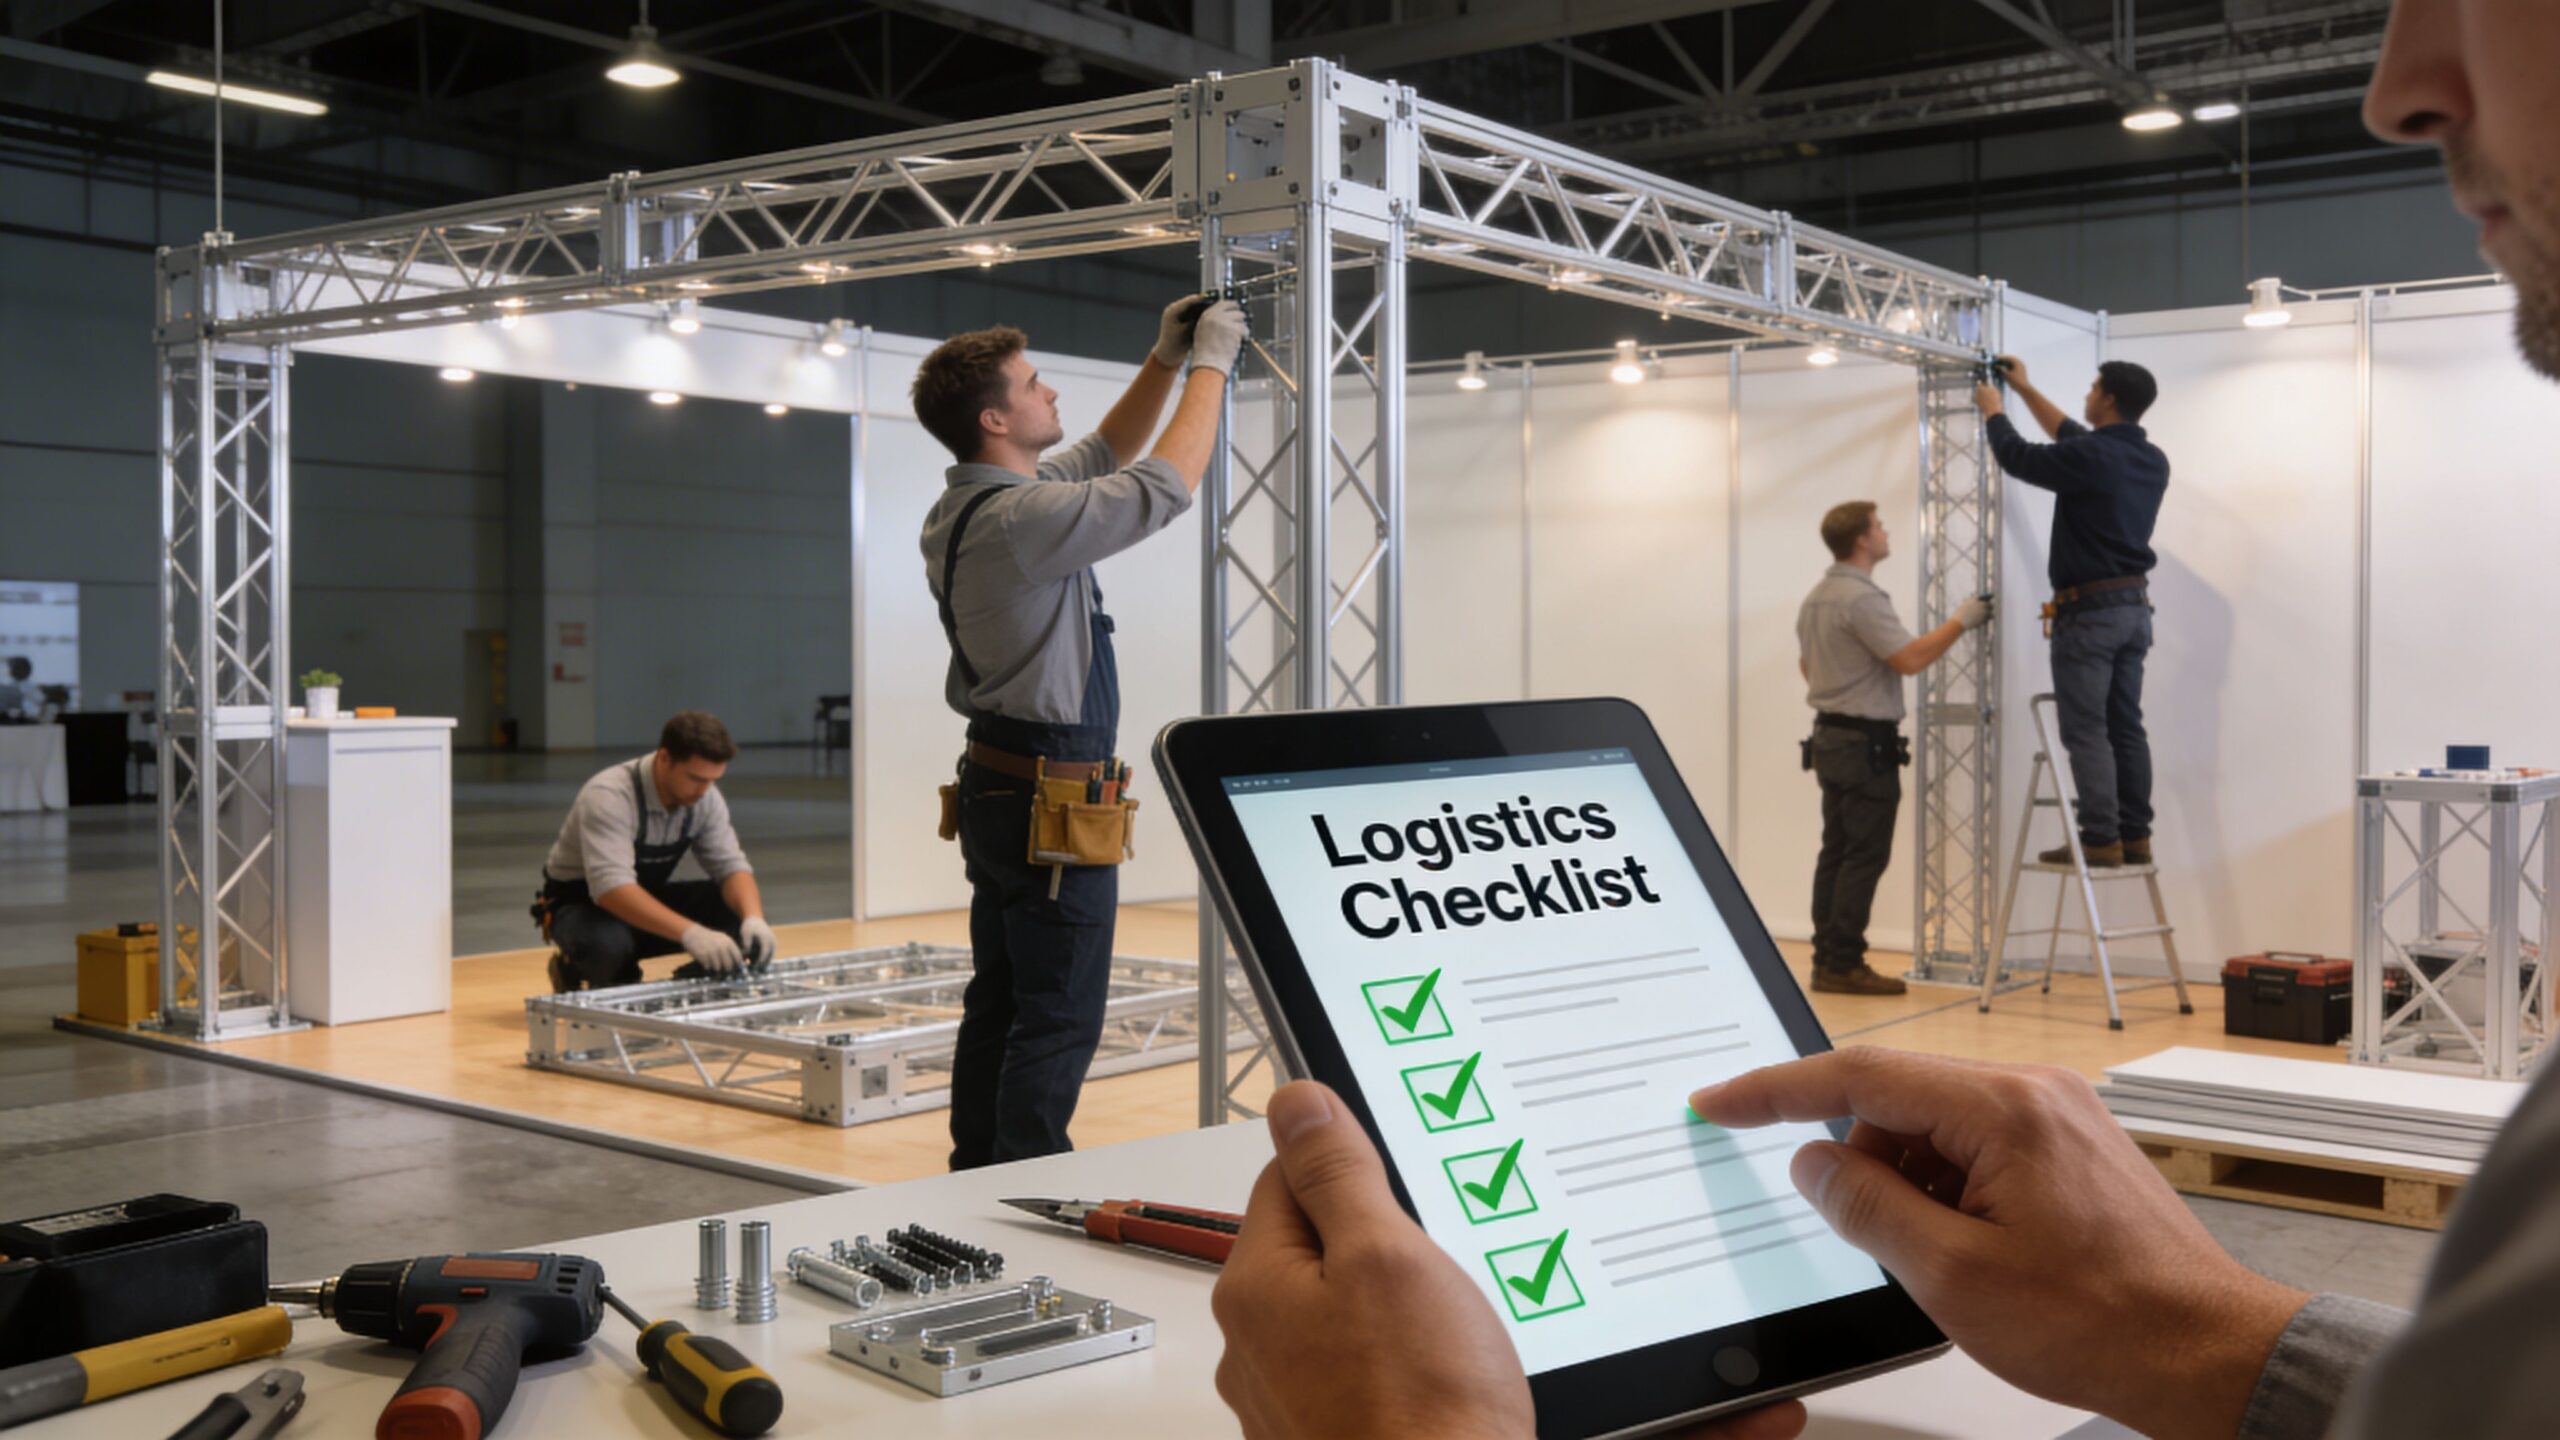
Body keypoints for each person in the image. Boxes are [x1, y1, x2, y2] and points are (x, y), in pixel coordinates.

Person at [1211, 5, 2560, 1435]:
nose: (2398, 92)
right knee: (1961, 812)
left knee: (2039, 763)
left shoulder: (2089, 455)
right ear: (1866, 536)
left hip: (2043, 638)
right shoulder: (2072, 488)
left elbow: (2041, 446)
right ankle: (1998, 887)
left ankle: (2024, 868)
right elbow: (1970, 557)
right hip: (1930, 700)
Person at [916, 295, 1246, 1169]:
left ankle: (974, 1177)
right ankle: (1019, 1180)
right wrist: (1214, 360)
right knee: (1058, 1014)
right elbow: (1165, 484)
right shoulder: (1022, 522)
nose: (1050, 392)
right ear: (995, 418)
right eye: (1032, 386)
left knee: (1003, 1001)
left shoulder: (977, 508)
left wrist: (1165, 358)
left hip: (1002, 786)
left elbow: (1105, 453)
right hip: (1048, 800)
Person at [1973, 358, 2165, 870]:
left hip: (2090, 615)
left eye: (2092, 385)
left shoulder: (2092, 456)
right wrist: (2026, 390)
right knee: (2126, 725)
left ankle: (2099, 838)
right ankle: (2134, 834)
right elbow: (2071, 435)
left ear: (2106, 398)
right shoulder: (2149, 458)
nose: (2088, 392)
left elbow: (2017, 457)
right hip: (2132, 610)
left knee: (2085, 729)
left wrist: (1994, 411)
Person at [1796, 503, 1993, 995]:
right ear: (1862, 540)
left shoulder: (1816, 598)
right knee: (1863, 856)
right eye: (1879, 526)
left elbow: (1808, 666)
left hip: (1829, 738)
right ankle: (1842, 963)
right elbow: (1909, 658)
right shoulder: (1861, 600)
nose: (1885, 532)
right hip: (1864, 746)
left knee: (1837, 852)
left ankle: (1828, 958)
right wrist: (1960, 621)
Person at [536, 710, 774, 992]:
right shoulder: (609, 795)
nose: (704, 790)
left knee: (735, 915)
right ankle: (576, 967)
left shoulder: (705, 797)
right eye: (696, 778)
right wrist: (691, 933)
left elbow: (730, 866)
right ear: (664, 758)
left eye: (713, 780)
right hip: (583, 906)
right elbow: (611, 889)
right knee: (607, 948)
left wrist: (753, 917)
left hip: (640, 897)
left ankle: (691, 988)